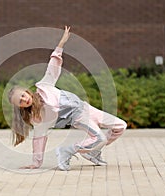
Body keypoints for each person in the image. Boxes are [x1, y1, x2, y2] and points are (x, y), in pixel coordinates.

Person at [8, 26, 127, 171]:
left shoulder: (44, 86)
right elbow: (39, 139)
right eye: (20, 101)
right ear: (20, 107)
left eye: (23, 95)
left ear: (27, 92)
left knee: (120, 126)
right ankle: (66, 151)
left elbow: (52, 67)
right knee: (99, 137)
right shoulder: (37, 118)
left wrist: (61, 44)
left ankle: (93, 152)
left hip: (85, 107)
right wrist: (36, 163)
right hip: (78, 116)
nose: (24, 99)